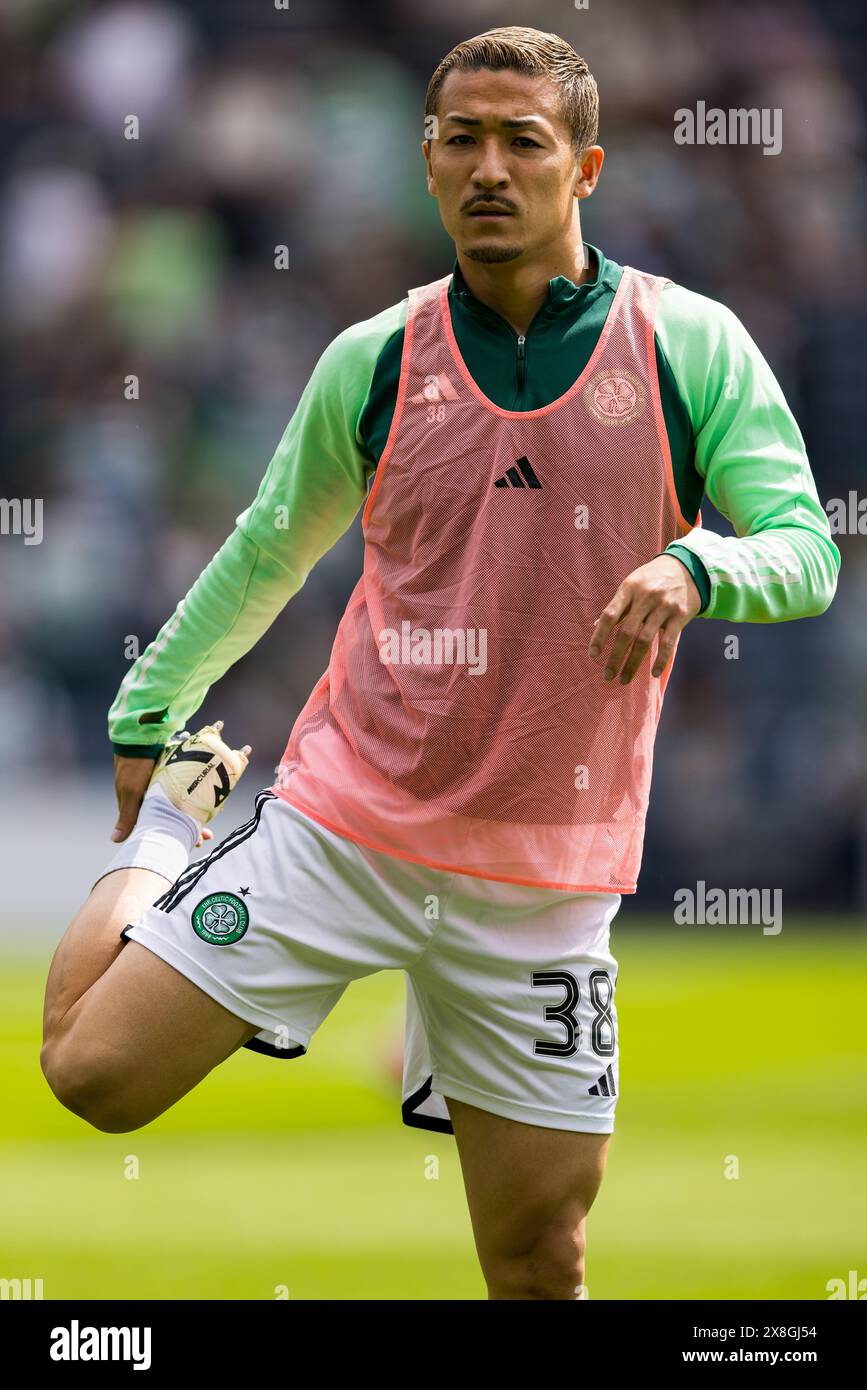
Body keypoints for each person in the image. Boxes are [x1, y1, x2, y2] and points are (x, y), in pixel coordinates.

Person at [41, 25, 840, 1300]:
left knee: (537, 1263)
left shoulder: (688, 346)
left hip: (543, 877)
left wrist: (699, 567)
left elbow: (809, 550)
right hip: (344, 822)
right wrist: (151, 707)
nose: (488, 167)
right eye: (461, 139)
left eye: (522, 141)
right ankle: (173, 841)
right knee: (91, 1075)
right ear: (425, 164)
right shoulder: (374, 360)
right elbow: (264, 556)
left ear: (584, 168)